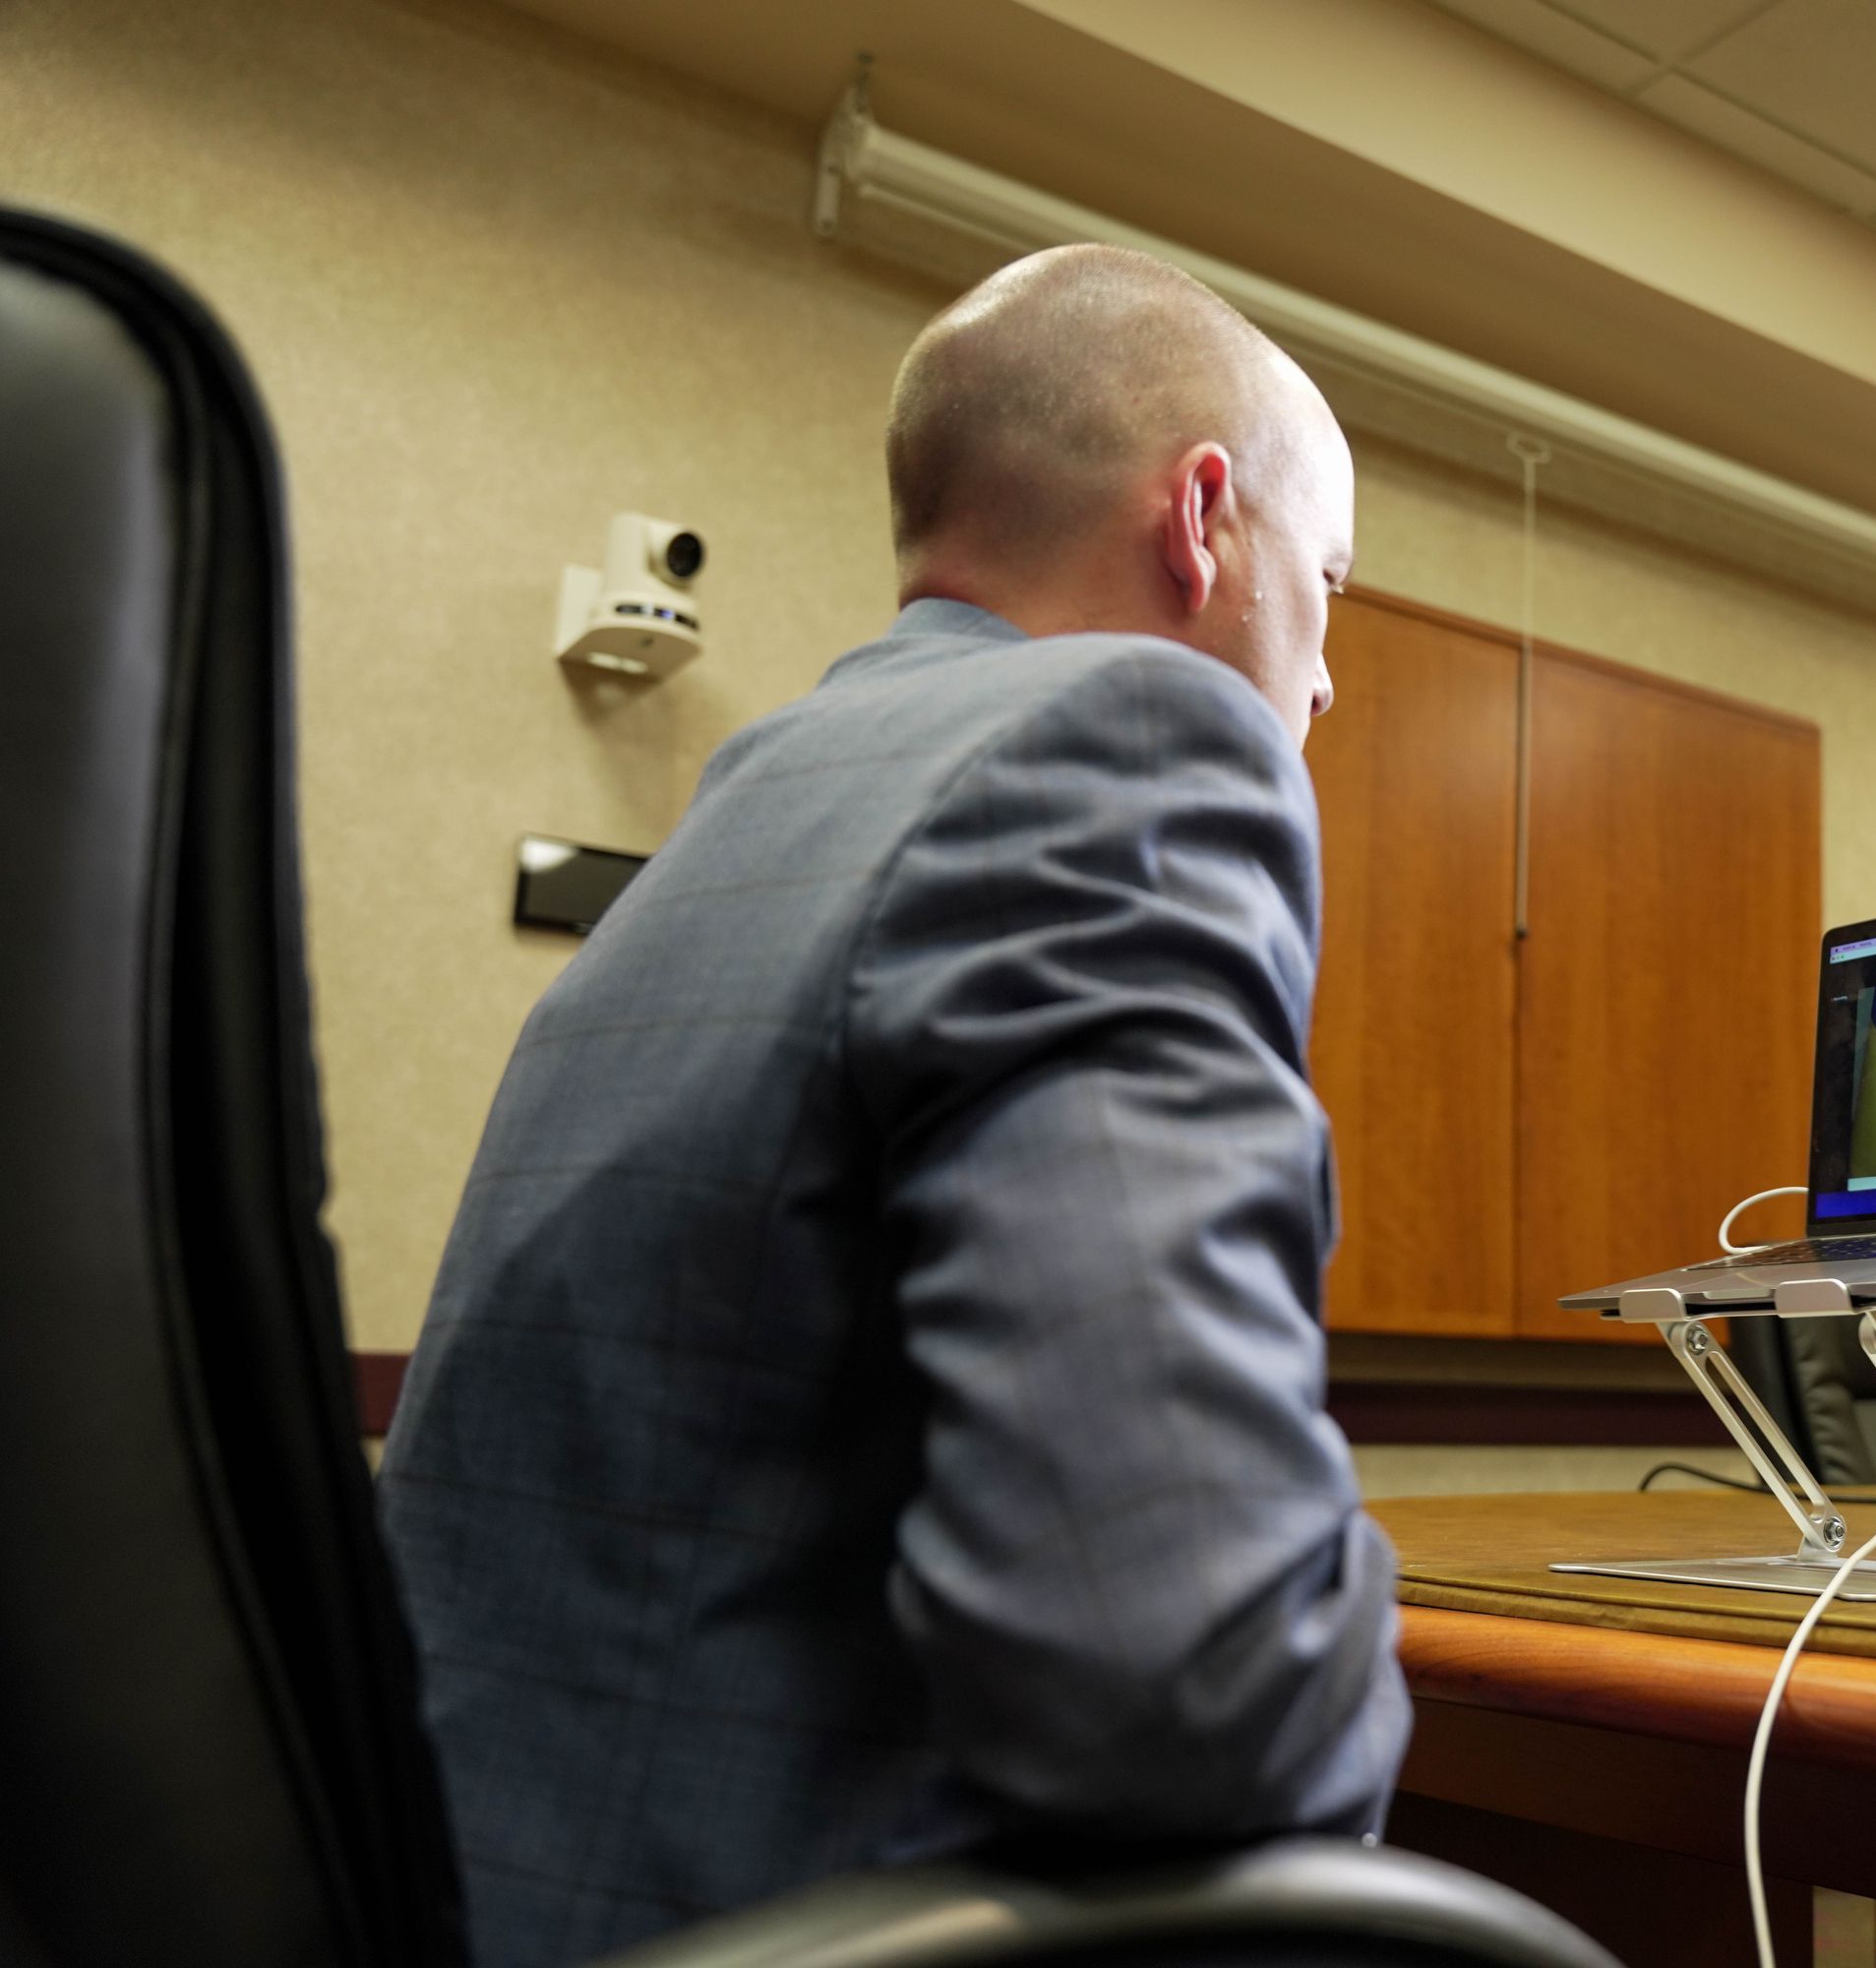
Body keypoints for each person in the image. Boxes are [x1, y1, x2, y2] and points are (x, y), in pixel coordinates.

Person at [378, 246, 1406, 1966]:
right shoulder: (1131, 742)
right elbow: (1188, 1683)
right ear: (1203, 518)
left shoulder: (753, 803)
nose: (1319, 682)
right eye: (1330, 582)